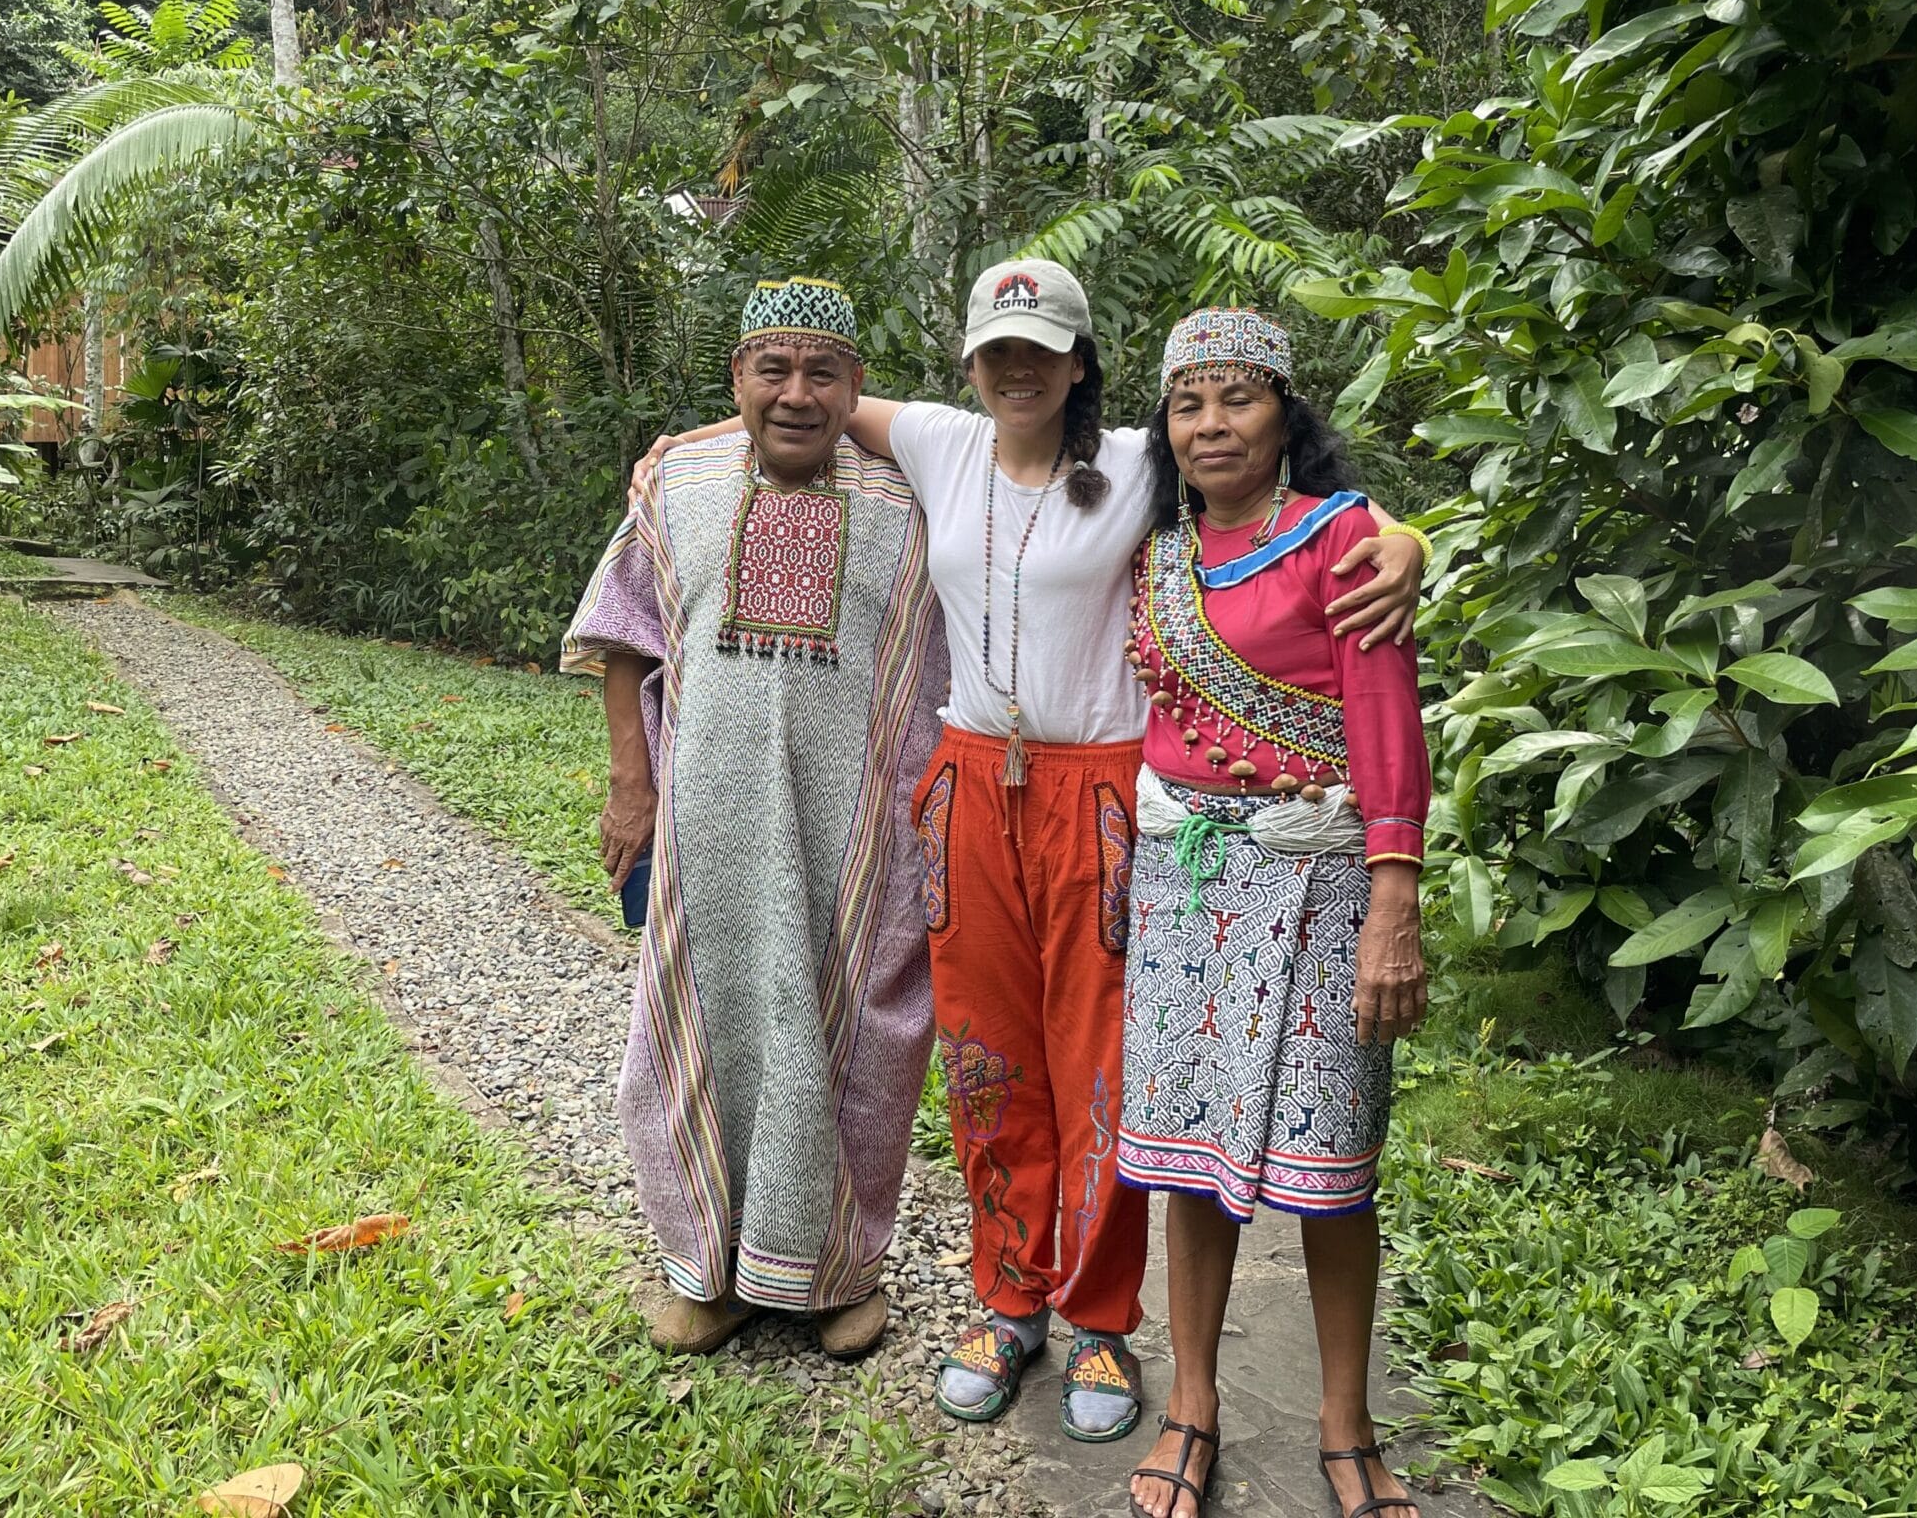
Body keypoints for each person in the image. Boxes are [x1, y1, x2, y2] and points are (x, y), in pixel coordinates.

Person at [640, 261, 1423, 1445]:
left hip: (1099, 792)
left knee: (1098, 1057)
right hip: (964, 788)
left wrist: (1404, 538)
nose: (1019, 369)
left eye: (1042, 350)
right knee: (984, 1051)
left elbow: (1285, 507)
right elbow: (803, 391)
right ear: (970, 362)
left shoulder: (1142, 469)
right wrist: (674, 454)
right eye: (997, 349)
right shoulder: (943, 445)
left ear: (1078, 363)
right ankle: (1008, 1301)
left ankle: (1103, 1319)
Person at [561, 276, 947, 1361]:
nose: (796, 393)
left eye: (822, 370)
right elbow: (625, 630)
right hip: (707, 824)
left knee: (860, 1035)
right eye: (771, 368)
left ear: (857, 387)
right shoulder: (676, 480)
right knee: (699, 1021)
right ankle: (704, 1266)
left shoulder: (909, 498)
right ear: (735, 381)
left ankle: (834, 1271)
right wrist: (631, 785)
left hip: (860, 831)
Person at [1114, 307, 1430, 1518]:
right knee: (1187, 1159)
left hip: (1321, 883)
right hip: (1187, 888)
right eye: (1188, 404)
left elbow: (1387, 725)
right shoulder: (1159, 557)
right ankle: (1193, 1406)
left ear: (1286, 414)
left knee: (1334, 1162)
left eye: (1237, 398)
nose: (1210, 425)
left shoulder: (1345, 540)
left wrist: (1393, 904)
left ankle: (1345, 1424)